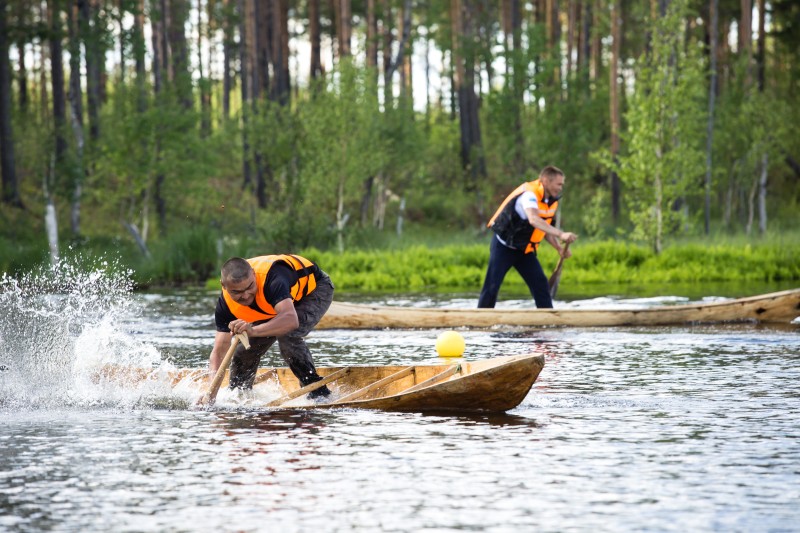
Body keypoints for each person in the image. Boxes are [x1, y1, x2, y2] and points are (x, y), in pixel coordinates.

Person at [206, 254, 334, 400]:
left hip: (313, 290)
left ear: (254, 276)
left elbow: (290, 320)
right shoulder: (225, 306)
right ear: (224, 285)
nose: (246, 295)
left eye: (250, 287)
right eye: (237, 292)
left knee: (288, 335)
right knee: (244, 351)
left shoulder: (273, 280)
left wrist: (253, 330)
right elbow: (219, 352)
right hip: (277, 304)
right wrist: (210, 394)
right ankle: (240, 397)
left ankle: (318, 393)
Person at [478, 166, 578, 309]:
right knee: (492, 285)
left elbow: (544, 228)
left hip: (524, 250)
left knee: (540, 284)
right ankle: (482, 318)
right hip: (504, 247)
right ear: (546, 181)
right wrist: (561, 234)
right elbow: (534, 220)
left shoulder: (551, 201)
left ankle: (547, 318)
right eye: (559, 184)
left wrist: (558, 247)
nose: (561, 188)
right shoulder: (529, 194)